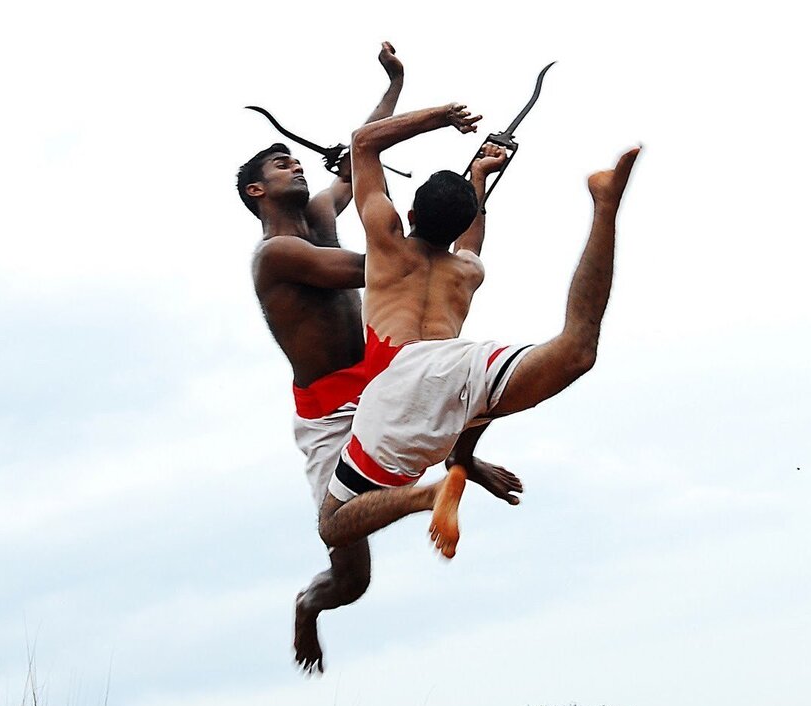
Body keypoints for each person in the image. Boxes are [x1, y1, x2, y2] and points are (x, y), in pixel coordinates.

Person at [238, 50, 521, 673]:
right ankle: (308, 607)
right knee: (351, 575)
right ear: (257, 190)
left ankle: (457, 465)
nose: (296, 164)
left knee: (452, 377)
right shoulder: (275, 254)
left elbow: (360, 153)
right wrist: (442, 216)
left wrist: (395, 84)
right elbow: (393, 265)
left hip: (382, 377)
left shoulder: (317, 215)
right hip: (328, 412)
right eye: (282, 162)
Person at [317, 101, 640, 558]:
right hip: (461, 369)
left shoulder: (387, 242)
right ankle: (605, 207)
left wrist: (443, 117)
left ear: (408, 214)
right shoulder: (468, 270)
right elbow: (471, 237)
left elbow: (363, 142)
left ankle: (425, 494)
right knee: (576, 350)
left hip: (396, 377)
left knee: (333, 526)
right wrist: (478, 179)